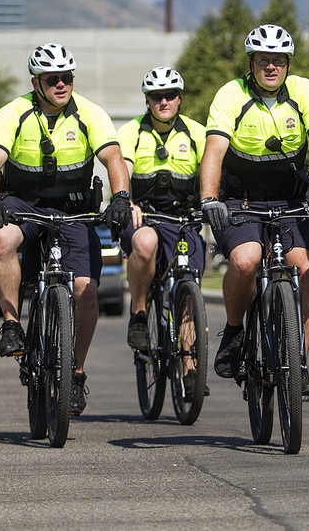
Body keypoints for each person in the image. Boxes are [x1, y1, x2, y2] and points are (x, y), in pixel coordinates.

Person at [199, 24, 309, 400]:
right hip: (242, 201)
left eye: (279, 60)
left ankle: (298, 364)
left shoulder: (303, 90)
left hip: (292, 200)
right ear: (250, 63)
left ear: (288, 64)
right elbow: (215, 150)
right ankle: (235, 332)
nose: (272, 67)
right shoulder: (231, 93)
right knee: (247, 260)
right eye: (264, 60)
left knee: (304, 267)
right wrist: (208, 198)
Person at [0, 42, 132, 416]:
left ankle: (75, 373)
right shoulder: (13, 112)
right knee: (1, 239)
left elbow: (113, 156)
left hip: (73, 208)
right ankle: (12, 325)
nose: (61, 85)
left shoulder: (90, 114)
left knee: (87, 290)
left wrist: (121, 196)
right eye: (52, 79)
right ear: (36, 82)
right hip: (23, 204)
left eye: (67, 78)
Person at [115, 66, 210, 396]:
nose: (164, 101)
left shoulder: (198, 133)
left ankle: (190, 369)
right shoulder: (131, 132)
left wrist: (211, 202)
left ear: (180, 98)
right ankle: (139, 315)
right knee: (145, 241)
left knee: (188, 286)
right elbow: (122, 170)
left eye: (170, 95)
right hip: (143, 217)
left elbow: (212, 171)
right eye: (157, 96)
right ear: (148, 100)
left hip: (182, 219)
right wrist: (126, 200)